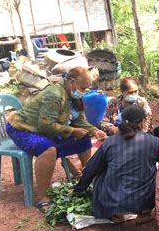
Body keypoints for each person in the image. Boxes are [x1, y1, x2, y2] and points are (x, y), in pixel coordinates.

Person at [6, 67, 107, 210]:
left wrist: (94, 130)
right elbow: (46, 125)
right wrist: (72, 130)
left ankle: (86, 178)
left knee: (83, 138)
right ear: (71, 82)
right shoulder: (55, 94)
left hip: (43, 128)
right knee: (48, 149)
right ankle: (42, 196)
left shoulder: (72, 95)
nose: (84, 92)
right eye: (83, 88)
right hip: (22, 128)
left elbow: (77, 119)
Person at [74, 105, 159, 222]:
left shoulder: (110, 142)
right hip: (144, 200)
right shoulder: (154, 142)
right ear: (142, 123)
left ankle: (116, 214)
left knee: (100, 170)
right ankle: (144, 213)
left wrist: (79, 189)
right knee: (158, 171)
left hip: (112, 201)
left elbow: (91, 169)